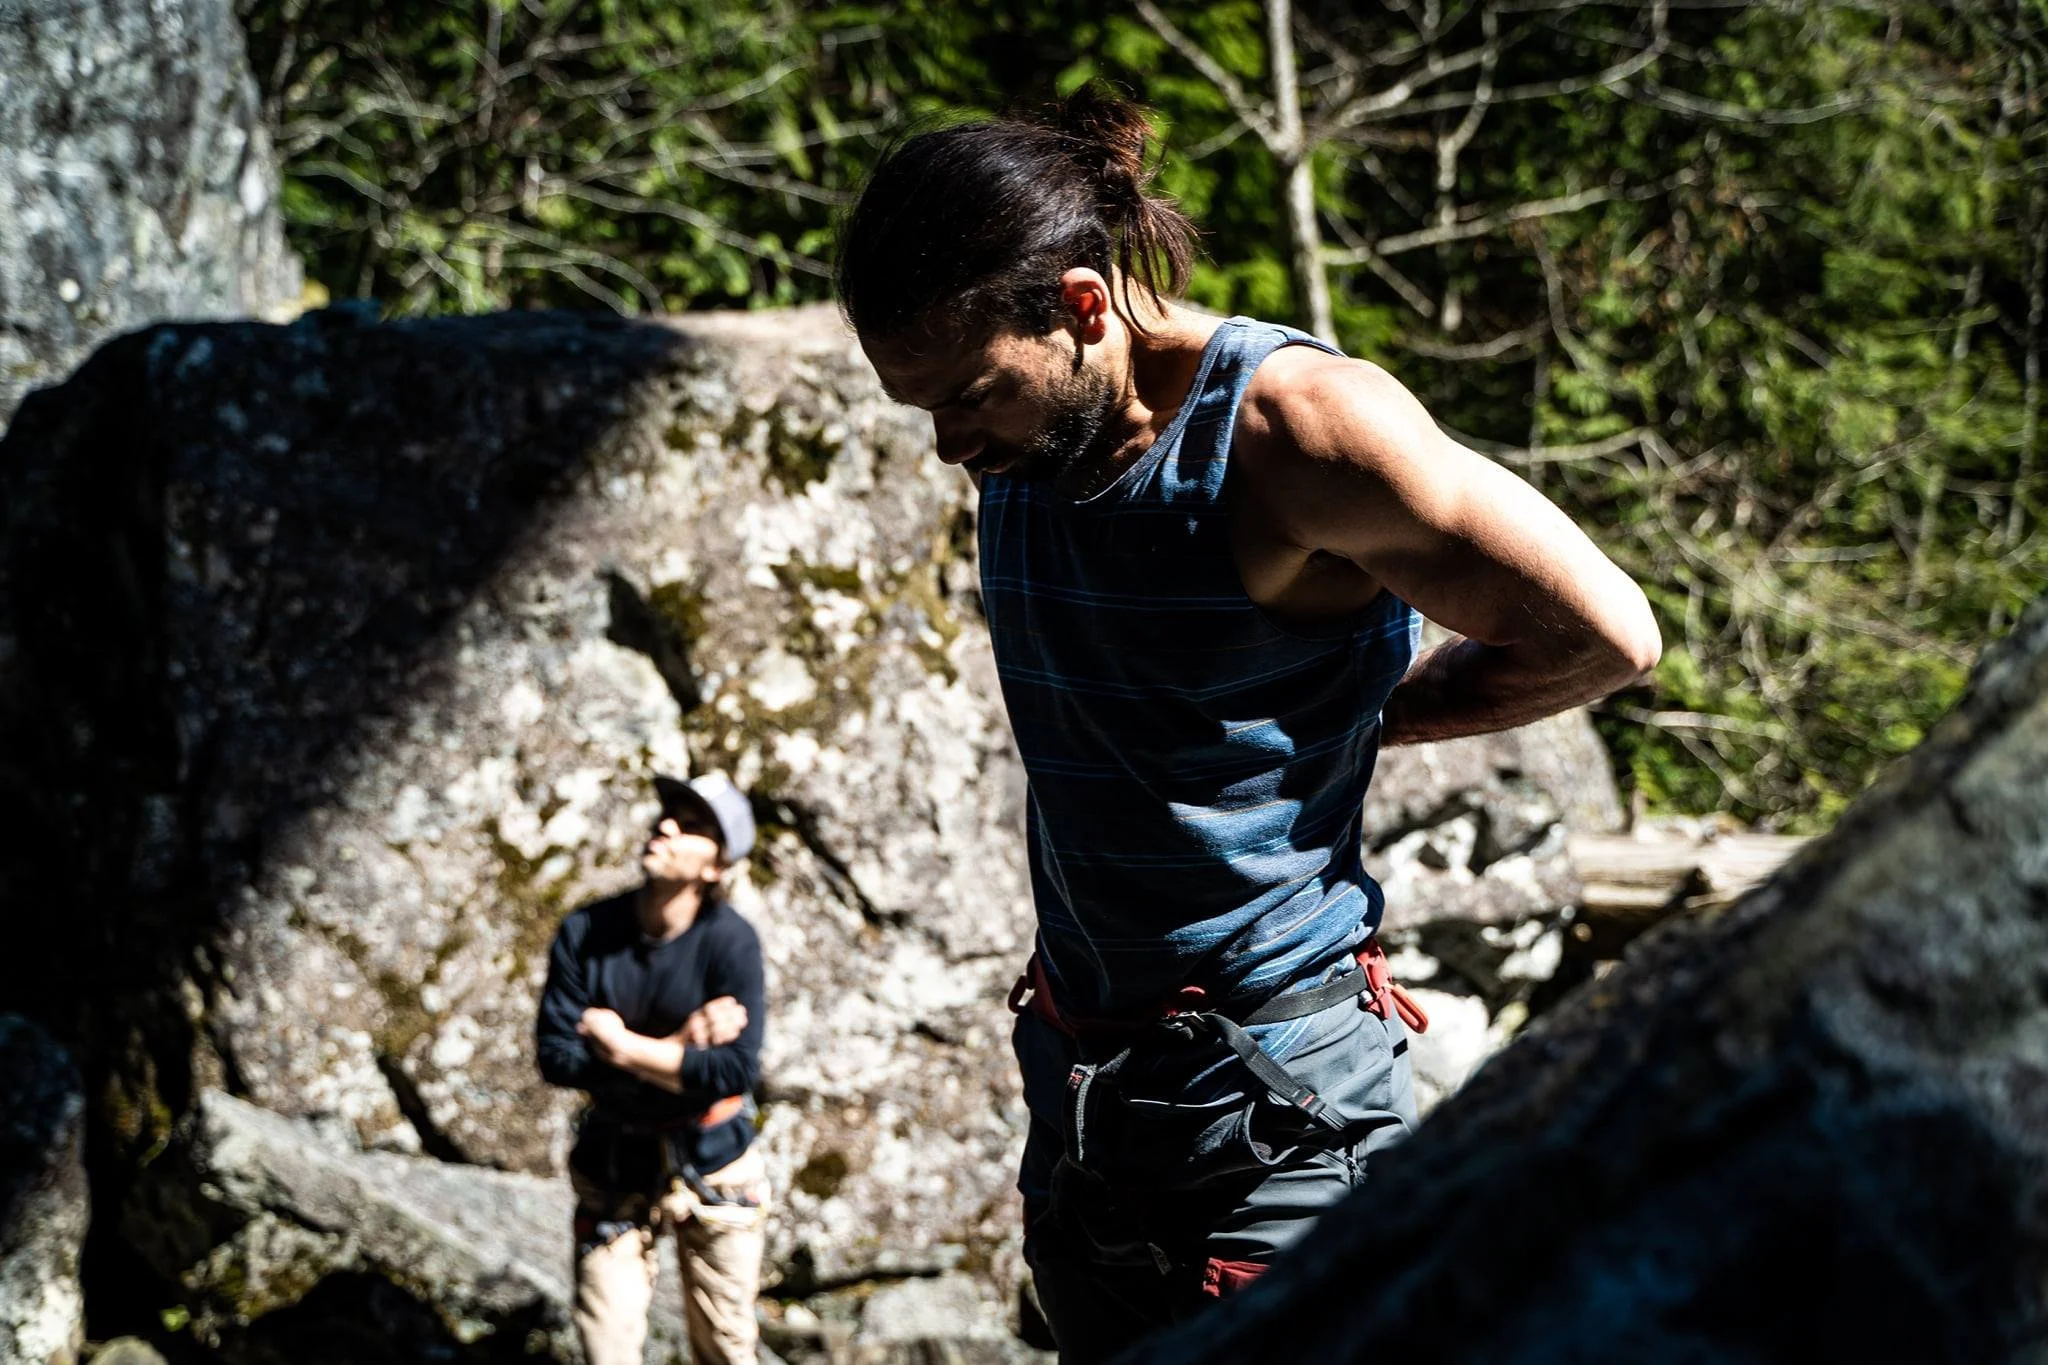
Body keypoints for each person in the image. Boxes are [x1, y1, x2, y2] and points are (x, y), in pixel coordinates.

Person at [835, 87, 1662, 1362]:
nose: (948, 444)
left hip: (1276, 1099)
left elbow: (1603, 633)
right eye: (922, 409)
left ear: (1082, 306)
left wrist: (1367, 725)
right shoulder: (1038, 438)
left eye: (970, 396)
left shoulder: (1297, 431)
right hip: (1082, 1080)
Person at [535, 772, 770, 1365]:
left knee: (726, 1348)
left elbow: (734, 1072)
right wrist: (681, 1045)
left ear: (715, 867)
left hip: (715, 1162)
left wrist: (622, 1047)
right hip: (616, 1162)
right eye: (667, 816)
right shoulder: (586, 933)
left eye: (692, 826)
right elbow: (558, 1059)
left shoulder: (731, 943)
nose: (665, 826)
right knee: (606, 1346)